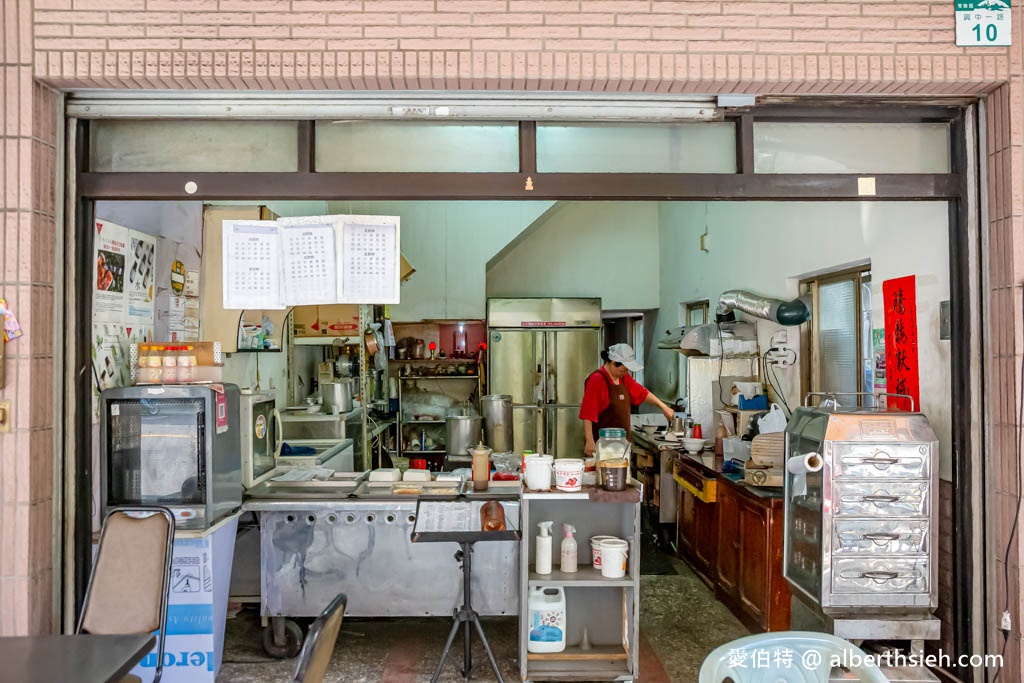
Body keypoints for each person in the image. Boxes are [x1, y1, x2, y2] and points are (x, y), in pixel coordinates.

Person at [579, 343, 675, 456]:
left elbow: (642, 393)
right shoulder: (597, 380)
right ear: (613, 363)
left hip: (621, 445)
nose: (626, 372)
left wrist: (663, 407)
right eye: (623, 369)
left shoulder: (623, 378)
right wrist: (590, 441)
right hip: (603, 446)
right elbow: (588, 414)